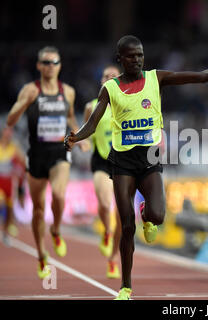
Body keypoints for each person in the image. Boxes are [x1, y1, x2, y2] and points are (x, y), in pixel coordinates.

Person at [65, 35, 208, 300]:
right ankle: (126, 287)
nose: (137, 60)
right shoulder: (110, 89)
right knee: (127, 225)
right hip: (122, 161)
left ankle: (147, 213)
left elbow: (198, 77)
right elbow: (93, 124)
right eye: (131, 56)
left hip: (150, 158)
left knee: (159, 216)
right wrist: (74, 137)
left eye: (140, 55)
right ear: (120, 59)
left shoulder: (155, 78)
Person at [6, 46, 90, 279]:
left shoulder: (68, 92)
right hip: (36, 155)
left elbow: (71, 116)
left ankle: (55, 230)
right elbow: (11, 120)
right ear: (39, 65)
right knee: (38, 209)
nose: (50, 67)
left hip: (59, 152)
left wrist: (79, 137)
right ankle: (42, 255)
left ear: (60, 66)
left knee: (60, 194)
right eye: (46, 62)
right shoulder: (30, 90)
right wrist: (24, 103)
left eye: (54, 62)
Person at [83, 64, 122, 279]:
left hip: (122, 163)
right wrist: (83, 142)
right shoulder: (92, 106)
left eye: (113, 76)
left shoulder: (127, 104)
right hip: (101, 161)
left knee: (122, 216)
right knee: (106, 204)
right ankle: (106, 231)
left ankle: (113, 257)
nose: (109, 78)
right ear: (101, 81)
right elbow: (86, 129)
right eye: (105, 75)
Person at [0, 126, 25, 244]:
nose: (8, 136)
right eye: (6, 134)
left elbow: (23, 163)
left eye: (10, 134)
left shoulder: (14, 148)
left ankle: (5, 234)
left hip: (9, 183)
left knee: (9, 210)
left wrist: (19, 170)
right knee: (1, 203)